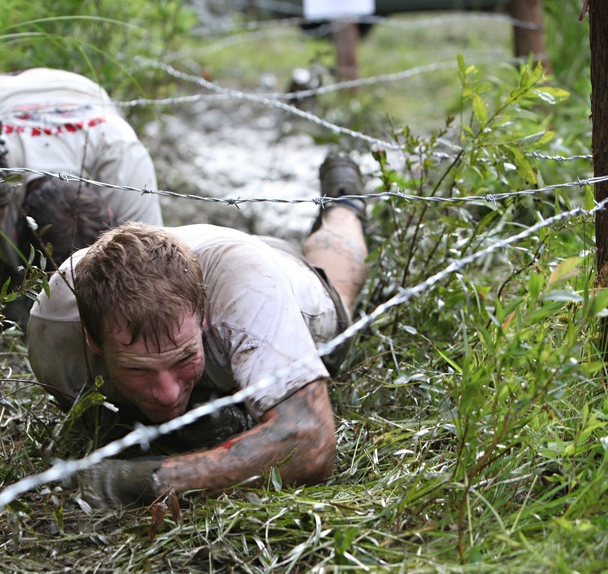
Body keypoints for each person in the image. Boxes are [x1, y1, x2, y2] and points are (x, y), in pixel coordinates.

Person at [27, 154, 369, 507]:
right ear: (92, 341)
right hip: (209, 255)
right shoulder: (55, 336)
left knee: (339, 281)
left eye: (184, 358)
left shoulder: (249, 298)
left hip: (288, 282)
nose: (165, 393)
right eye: (137, 368)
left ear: (204, 316)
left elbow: (311, 444)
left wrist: (143, 481)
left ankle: (345, 204)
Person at [0, 68, 163, 328]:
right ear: (15, 235)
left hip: (79, 90)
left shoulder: (123, 159)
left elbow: (153, 270)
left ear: (111, 215)